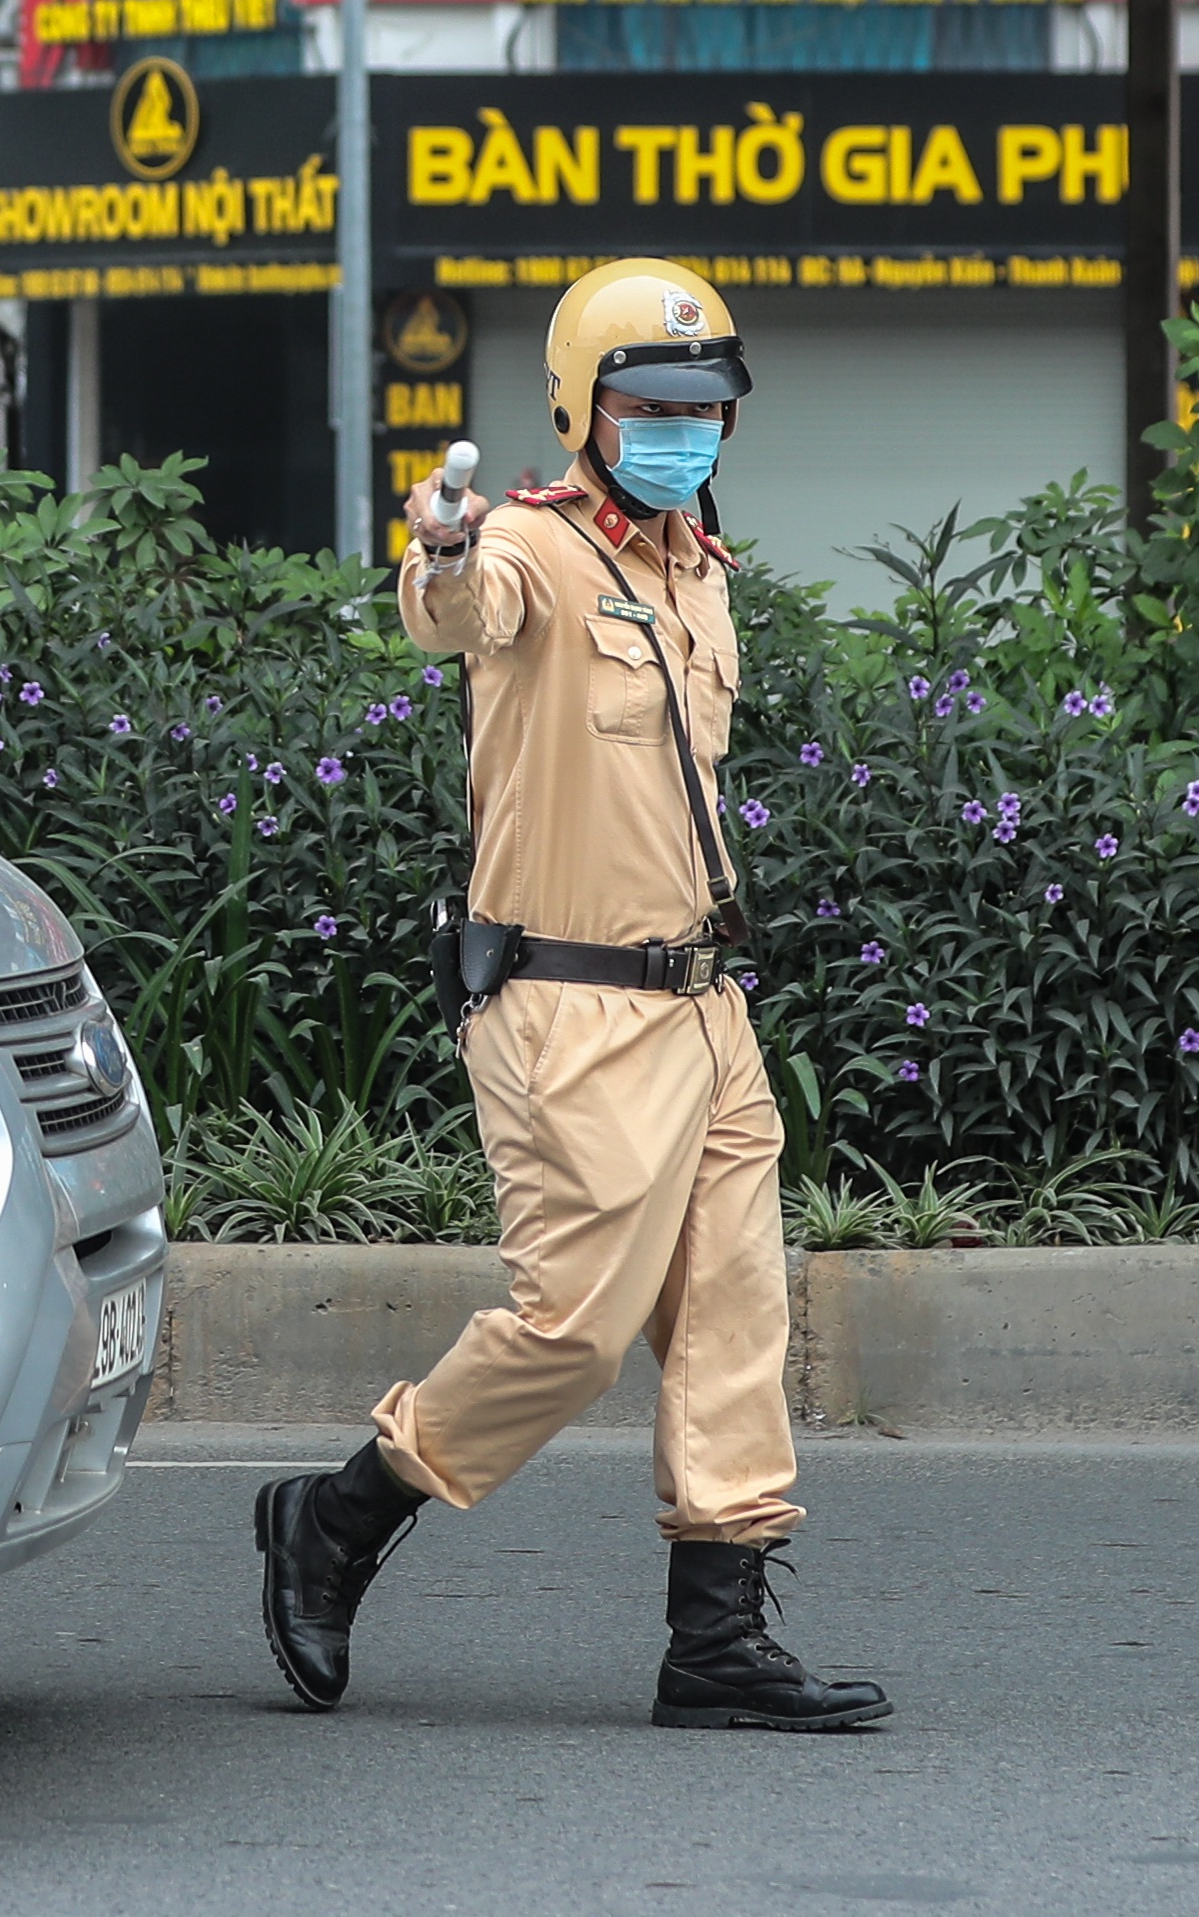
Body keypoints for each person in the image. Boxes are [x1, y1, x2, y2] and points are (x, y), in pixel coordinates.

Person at [253, 258, 890, 1732]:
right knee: (571, 1328)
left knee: (733, 1315)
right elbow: (450, 609)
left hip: (702, 1006)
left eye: (706, 409)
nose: (685, 430)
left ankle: (717, 1641)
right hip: (567, 1004)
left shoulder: (694, 567)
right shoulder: (533, 550)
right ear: (583, 406)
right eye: (652, 404)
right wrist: (439, 546)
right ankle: (337, 1518)